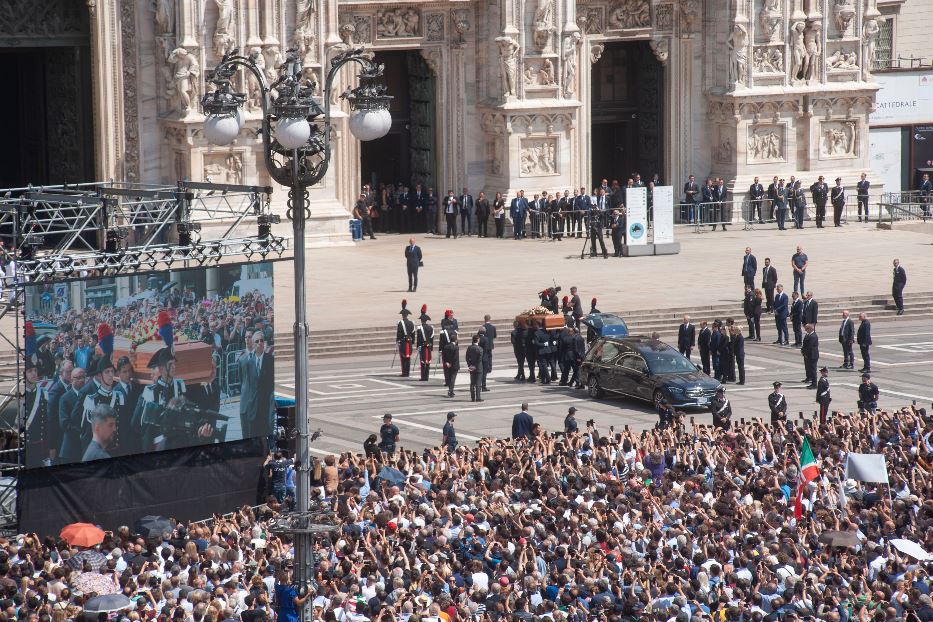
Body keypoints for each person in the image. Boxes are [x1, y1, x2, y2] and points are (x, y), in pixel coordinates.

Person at [396, 300, 416, 377]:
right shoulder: (412, 323)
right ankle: (407, 372)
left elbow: (399, 333)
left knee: (403, 358)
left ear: (403, 315)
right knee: (408, 358)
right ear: (407, 315)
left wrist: (398, 341)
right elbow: (413, 333)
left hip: (403, 342)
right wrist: (413, 342)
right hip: (409, 342)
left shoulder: (400, 323)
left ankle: (404, 372)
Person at [588, 191, 609, 258]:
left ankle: (604, 252)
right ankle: (594, 252)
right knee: (593, 240)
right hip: (593, 227)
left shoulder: (599, 211)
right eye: (594, 206)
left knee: (601, 240)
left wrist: (599, 210)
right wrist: (591, 210)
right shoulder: (592, 212)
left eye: (595, 206)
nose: (594, 208)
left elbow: (602, 216)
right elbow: (589, 217)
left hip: (598, 227)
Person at [416, 308, 435, 381]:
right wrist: (432, 348)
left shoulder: (420, 328)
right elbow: (432, 339)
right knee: (428, 362)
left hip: (423, 347)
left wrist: (418, 348)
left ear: (421, 320)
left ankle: (423, 377)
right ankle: (426, 377)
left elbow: (419, 339)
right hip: (429, 347)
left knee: (422, 361)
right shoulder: (431, 328)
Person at [465, 335, 484, 402]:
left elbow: (467, 357)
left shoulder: (469, 348)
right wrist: (475, 366)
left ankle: (472, 397)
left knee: (472, 383)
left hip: (471, 367)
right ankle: (478, 397)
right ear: (478, 340)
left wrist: (470, 365)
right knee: (478, 383)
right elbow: (479, 359)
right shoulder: (480, 348)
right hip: (478, 368)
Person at [533, 319, 552, 385]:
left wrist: (543, 344)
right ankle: (543, 379)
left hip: (541, 351)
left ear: (538, 325)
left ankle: (548, 379)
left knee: (543, 366)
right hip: (548, 350)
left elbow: (536, 343)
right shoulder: (547, 331)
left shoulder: (536, 333)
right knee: (545, 365)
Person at [481, 315, 497, 390]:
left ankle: (486, 367)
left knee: (485, 355)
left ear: (484, 319)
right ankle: (490, 367)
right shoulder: (493, 327)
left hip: (484, 344)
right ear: (490, 319)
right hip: (490, 344)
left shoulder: (483, 327)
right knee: (490, 356)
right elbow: (494, 336)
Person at [442, 333, 460, 397]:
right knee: (453, 378)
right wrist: (451, 363)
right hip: (454, 365)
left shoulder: (446, 346)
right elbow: (455, 357)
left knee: (449, 378)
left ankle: (451, 390)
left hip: (447, 365)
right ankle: (450, 391)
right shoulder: (456, 347)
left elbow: (443, 356)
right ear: (455, 340)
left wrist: (446, 362)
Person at [801, 323, 819, 388]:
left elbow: (809, 346)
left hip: (812, 355)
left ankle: (814, 384)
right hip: (808, 355)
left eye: (806, 328)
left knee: (813, 369)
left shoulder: (813, 336)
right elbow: (805, 344)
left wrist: (805, 353)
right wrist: (803, 351)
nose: (805, 329)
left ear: (810, 329)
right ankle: (809, 378)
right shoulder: (808, 335)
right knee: (808, 367)